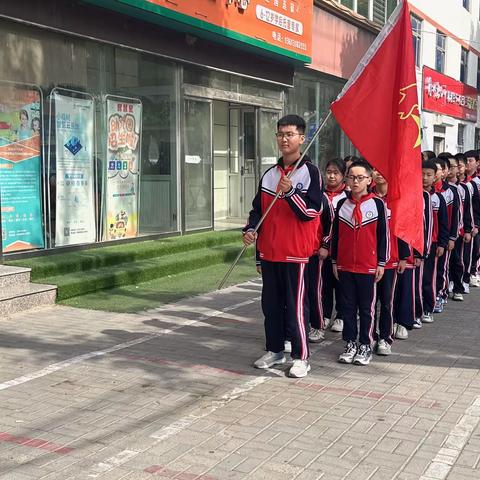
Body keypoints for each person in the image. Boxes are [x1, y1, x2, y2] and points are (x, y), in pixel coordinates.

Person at [243, 114, 322, 378]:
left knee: (297, 305)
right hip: (270, 251)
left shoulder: (310, 172)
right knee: (271, 306)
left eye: (290, 134)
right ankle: (275, 350)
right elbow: (258, 210)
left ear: (302, 138)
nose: (284, 139)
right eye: (280, 134)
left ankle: (301, 356)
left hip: (296, 254)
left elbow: (312, 211)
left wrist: (290, 193)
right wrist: (251, 229)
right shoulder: (269, 174)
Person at [331, 160, 389, 366]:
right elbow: (335, 234)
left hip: (368, 265)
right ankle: (350, 343)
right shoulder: (341, 204)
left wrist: (381, 262)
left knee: (367, 308)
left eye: (360, 178)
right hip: (345, 266)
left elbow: (384, 236)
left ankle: (365, 343)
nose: (355, 182)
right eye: (352, 177)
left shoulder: (378, 204)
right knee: (346, 307)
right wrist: (334, 260)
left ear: (369, 180)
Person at [372, 170, 412, 350]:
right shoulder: (366, 197)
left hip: (391, 259)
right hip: (368, 260)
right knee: (368, 303)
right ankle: (369, 336)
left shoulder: (397, 199)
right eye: (374, 169)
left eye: (382, 169)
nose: (378, 173)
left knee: (386, 301)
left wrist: (404, 256)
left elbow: (403, 230)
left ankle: (385, 338)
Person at [421, 159, 448, 324]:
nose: (424, 178)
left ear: (435, 177)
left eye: (428, 175)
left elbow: (445, 223)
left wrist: (443, 243)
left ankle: (427, 308)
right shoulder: (412, 196)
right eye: (422, 174)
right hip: (416, 244)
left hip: (432, 244)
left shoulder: (438, 198)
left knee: (428, 277)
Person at [322, 158, 348, 333]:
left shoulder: (348, 197)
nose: (331, 176)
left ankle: (340, 316)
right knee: (323, 284)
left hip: (341, 249)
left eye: (336, 173)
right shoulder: (318, 194)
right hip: (321, 250)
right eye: (329, 172)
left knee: (341, 284)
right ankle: (324, 314)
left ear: (343, 175)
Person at [434, 155, 460, 311]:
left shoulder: (451, 191)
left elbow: (455, 215)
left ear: (444, 172)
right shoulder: (422, 192)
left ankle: (440, 294)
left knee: (442, 267)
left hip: (443, 237)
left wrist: (451, 237)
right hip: (428, 240)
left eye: (438, 170)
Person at [307, 193, 333, 342]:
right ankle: (294, 328)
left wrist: (324, 245)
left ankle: (318, 326)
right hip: (293, 253)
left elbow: (330, 225)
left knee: (315, 291)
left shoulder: (322, 198)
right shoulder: (288, 193)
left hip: (314, 253)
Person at [451, 154, 474, 300]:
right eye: (455, 166)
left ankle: (459, 287)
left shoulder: (465, 188)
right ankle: (448, 285)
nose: (458, 169)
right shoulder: (446, 189)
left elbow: (468, 210)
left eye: (459, 166)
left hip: (459, 231)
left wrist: (468, 229)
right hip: (446, 232)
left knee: (458, 260)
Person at [465, 150, 480, 287]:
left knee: (476, 249)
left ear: (477, 162)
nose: (468, 164)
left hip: (476, 220)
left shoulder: (477, 181)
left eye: (470, 161)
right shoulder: (462, 182)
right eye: (466, 161)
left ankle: (473, 272)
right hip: (466, 223)